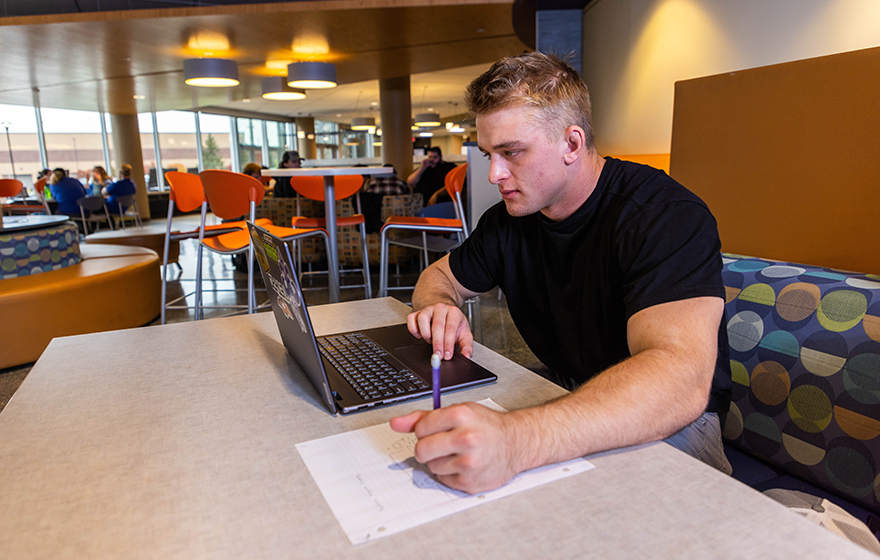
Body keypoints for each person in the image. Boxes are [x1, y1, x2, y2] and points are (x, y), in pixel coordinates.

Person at [390, 52, 732, 494]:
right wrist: (439, 306)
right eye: (489, 154)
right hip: (570, 393)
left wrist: (518, 439)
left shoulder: (663, 214)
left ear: (572, 143)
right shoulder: (509, 221)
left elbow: (679, 381)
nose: (494, 173)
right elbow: (439, 276)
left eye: (512, 152)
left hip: (676, 419)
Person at [362, 164, 411, 233]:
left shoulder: (370, 183)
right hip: (395, 215)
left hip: (374, 216)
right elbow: (408, 195)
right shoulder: (400, 183)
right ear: (394, 173)